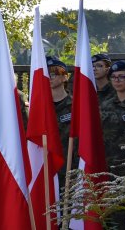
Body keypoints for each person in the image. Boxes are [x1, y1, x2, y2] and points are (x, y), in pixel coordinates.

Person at [48, 57, 73, 186]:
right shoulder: (40, 107)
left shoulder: (76, 106)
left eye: (53, 74)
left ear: (65, 77)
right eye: (46, 74)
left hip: (71, 168)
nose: (49, 77)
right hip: (47, 167)